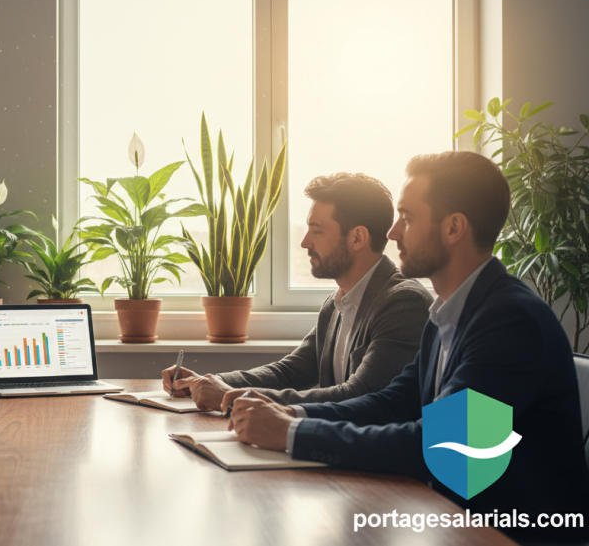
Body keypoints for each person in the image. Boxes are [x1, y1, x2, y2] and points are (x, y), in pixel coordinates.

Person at [229, 152, 589, 538]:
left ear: (453, 228)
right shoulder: (446, 316)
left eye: (408, 217)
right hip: (454, 521)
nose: (393, 232)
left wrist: (289, 434)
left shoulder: (511, 322)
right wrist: (291, 414)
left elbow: (449, 449)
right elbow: (390, 403)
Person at [163, 173, 431, 411]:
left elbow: (360, 396)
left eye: (317, 230)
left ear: (358, 238)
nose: (305, 242)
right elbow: (289, 373)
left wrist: (235, 396)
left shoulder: (402, 304)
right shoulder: (335, 305)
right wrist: (210, 381)